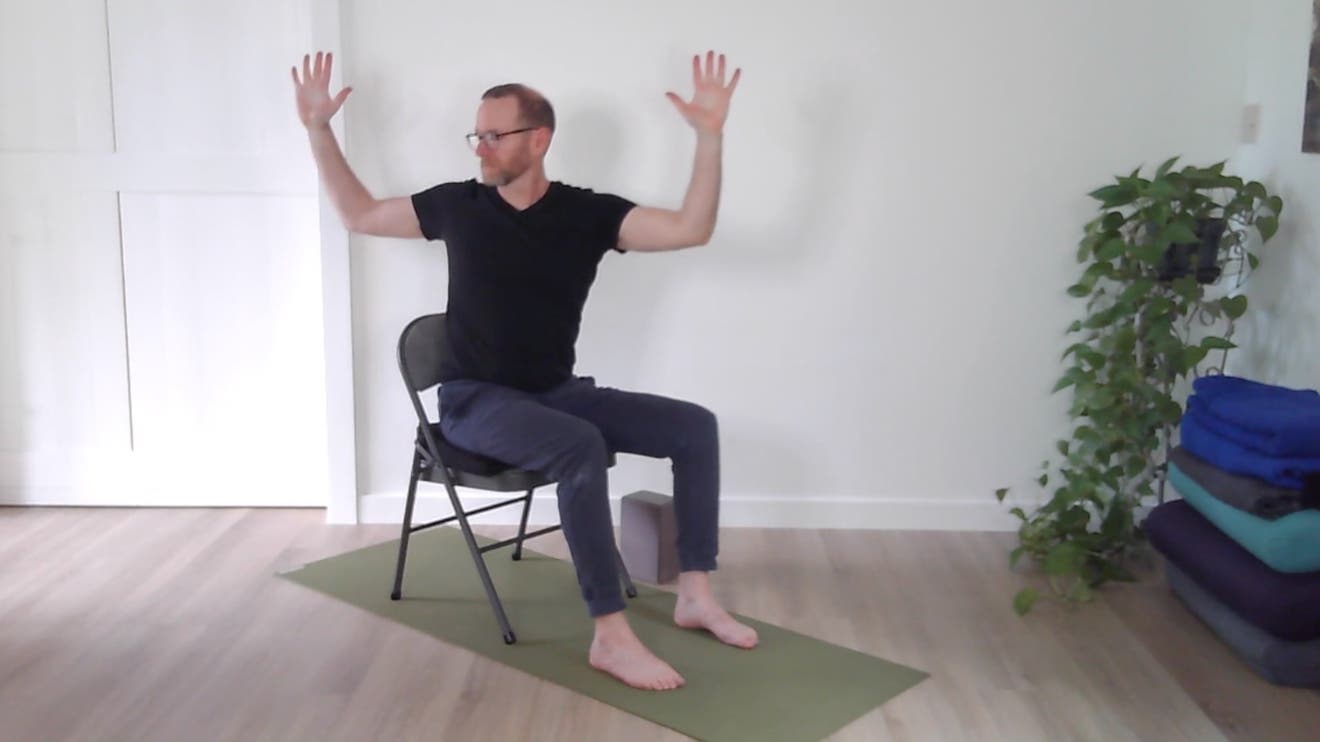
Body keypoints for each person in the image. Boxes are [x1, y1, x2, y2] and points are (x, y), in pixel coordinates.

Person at [291, 50, 756, 691]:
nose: (480, 149)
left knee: (693, 427)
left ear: (539, 139)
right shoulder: (456, 205)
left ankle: (696, 595)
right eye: (476, 135)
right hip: (474, 403)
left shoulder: (587, 214)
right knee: (578, 446)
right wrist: (318, 129)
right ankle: (611, 636)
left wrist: (709, 138)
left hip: (555, 394)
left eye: (494, 135)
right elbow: (360, 214)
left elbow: (690, 228)